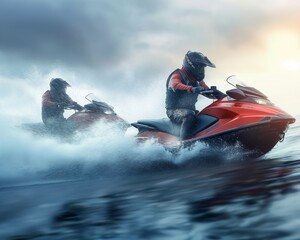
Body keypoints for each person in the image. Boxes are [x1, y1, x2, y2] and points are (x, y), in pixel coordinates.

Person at [165, 51, 216, 140]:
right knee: (189, 117)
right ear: (192, 66)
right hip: (173, 111)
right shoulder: (177, 75)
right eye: (200, 67)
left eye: (202, 68)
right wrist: (191, 88)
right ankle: (184, 144)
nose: (201, 70)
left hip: (190, 110)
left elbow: (206, 89)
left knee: (207, 114)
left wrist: (217, 94)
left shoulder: (196, 79)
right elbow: (175, 84)